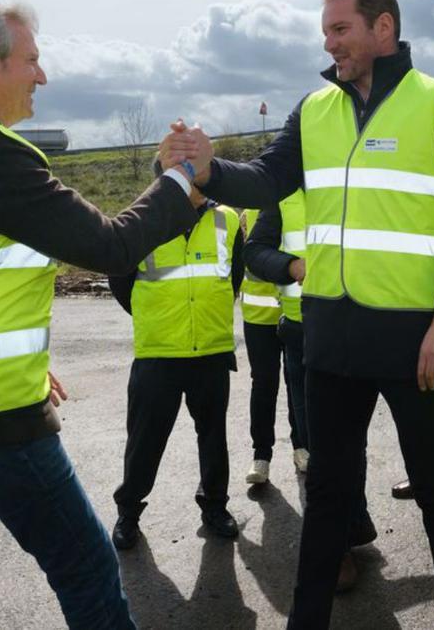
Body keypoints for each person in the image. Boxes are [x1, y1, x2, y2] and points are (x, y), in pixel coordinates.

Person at [166, 0, 434, 628]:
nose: (329, 43)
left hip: (419, 340)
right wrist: (208, 170)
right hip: (331, 338)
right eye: (325, 31)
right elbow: (266, 178)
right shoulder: (313, 110)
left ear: (384, 28)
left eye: (340, 29)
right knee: (327, 497)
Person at [0, 0, 205, 629]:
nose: (42, 75)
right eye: (31, 60)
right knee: (88, 569)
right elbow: (110, 246)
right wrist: (178, 182)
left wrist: (22, 360)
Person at [243, 191, 377, 592]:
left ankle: (348, 529)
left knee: (346, 439)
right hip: (302, 335)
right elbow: (255, 252)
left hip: (358, 327)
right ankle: (343, 537)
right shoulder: (281, 197)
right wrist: (291, 265)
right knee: (320, 441)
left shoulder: (358, 183)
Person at [107, 181, 244, 546]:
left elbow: (233, 278)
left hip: (211, 351)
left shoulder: (227, 220)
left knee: (213, 437)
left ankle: (215, 506)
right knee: (145, 440)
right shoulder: (141, 219)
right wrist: (155, 317)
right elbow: (120, 279)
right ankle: (128, 512)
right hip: (158, 352)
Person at [238, 207, 307, 485]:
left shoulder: (292, 204)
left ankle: (301, 447)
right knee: (264, 384)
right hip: (260, 315)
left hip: (293, 312)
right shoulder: (248, 212)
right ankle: (261, 456)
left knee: (296, 383)